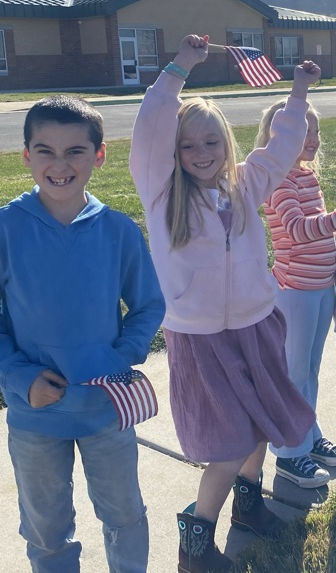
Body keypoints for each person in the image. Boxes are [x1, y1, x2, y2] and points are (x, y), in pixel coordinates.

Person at [130, 35, 319, 573]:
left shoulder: (241, 187)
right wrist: (179, 69)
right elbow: (148, 132)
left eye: (211, 143)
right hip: (201, 335)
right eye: (188, 146)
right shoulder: (162, 193)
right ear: (172, 153)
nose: (201, 154)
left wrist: (299, 94)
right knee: (230, 442)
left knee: (260, 426)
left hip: (257, 324)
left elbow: (281, 149)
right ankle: (195, 544)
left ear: (226, 146)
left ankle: (248, 508)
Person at [0, 95, 165, 573]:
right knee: (46, 530)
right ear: (26, 155)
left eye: (75, 150)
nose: (59, 164)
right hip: (35, 415)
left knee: (125, 515)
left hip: (105, 410)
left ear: (99, 155)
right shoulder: (7, 229)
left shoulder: (117, 231)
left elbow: (149, 304)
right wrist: (16, 375)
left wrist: (122, 355)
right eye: (45, 150)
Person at [257, 100, 336, 488]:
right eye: (304, 132)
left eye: (316, 131)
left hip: (320, 286)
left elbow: (324, 232)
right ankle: (288, 454)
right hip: (294, 292)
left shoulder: (306, 177)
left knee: (311, 371)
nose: (314, 140)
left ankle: (309, 436)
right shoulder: (279, 180)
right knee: (293, 373)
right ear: (279, 137)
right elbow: (299, 229)